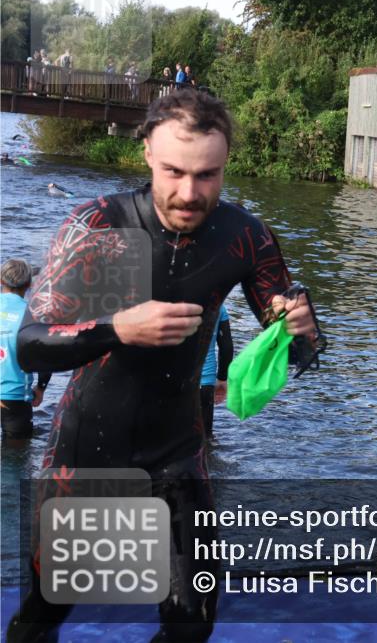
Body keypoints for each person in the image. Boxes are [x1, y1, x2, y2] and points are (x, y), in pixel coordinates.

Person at [6, 88, 318, 642]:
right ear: (147, 151)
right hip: (87, 453)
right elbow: (29, 344)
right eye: (174, 171)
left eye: (207, 175)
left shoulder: (244, 236)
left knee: (191, 623)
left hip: (177, 453)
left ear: (225, 164)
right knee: (47, 610)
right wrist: (117, 329)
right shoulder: (100, 225)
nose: (189, 193)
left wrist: (302, 330)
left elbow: (298, 350)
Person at [1, 260, 51, 443]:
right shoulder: (33, 315)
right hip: (14, 397)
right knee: (16, 453)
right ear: (29, 284)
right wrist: (41, 387)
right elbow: (45, 357)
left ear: (1, 280)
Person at [199, 303, 232, 436]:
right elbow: (227, 347)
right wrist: (222, 379)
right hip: (205, 383)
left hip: (173, 382)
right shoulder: (219, 306)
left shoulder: (168, 302)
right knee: (205, 437)